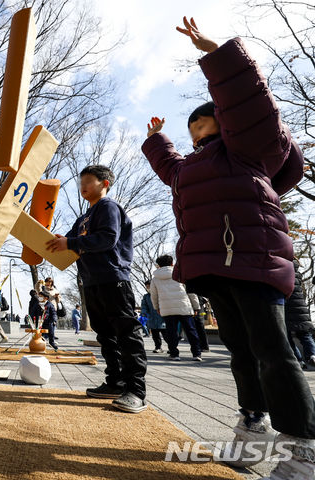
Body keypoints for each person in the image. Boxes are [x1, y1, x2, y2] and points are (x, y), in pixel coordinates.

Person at [142, 17, 314, 477]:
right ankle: (252, 425)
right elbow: (167, 164)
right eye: (190, 124)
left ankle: (303, 448)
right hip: (212, 265)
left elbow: (249, 103)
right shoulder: (189, 167)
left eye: (201, 118)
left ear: (222, 120)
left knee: (273, 350)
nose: (195, 126)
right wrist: (157, 137)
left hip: (254, 258)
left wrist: (218, 55)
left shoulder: (245, 149)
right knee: (241, 351)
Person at [46, 164, 147, 414]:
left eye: (89, 181)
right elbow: (70, 242)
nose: (83, 186)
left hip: (114, 278)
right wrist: (59, 241)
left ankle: (136, 391)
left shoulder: (108, 207)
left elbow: (107, 238)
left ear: (105, 184)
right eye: (81, 182)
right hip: (90, 281)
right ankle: (115, 382)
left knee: (126, 333)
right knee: (105, 335)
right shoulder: (83, 218)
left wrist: (69, 242)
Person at [149, 254, 202, 362]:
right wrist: (196, 307)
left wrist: (156, 307)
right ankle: (196, 354)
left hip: (167, 308)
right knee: (191, 331)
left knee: (171, 332)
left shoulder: (155, 279)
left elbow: (153, 295)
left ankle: (174, 354)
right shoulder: (180, 273)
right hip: (184, 307)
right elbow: (191, 291)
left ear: (158, 265)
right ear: (172, 263)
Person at [285, 259, 315, 368]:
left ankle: (298, 360)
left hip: (287, 306)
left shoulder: (281, 267)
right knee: (305, 334)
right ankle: (312, 355)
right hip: (301, 307)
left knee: (287, 336)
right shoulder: (297, 272)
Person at [141, 280, 166, 354]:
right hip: (152, 319)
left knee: (166, 335)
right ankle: (158, 347)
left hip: (162, 318)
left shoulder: (161, 294)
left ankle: (172, 347)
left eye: (149, 286)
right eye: (147, 287)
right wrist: (144, 313)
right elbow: (144, 306)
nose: (148, 288)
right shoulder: (146, 297)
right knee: (155, 336)